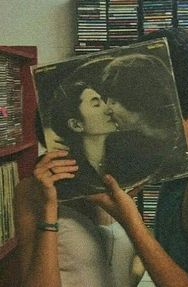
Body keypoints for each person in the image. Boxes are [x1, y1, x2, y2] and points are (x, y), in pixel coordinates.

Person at [89, 27, 188, 287]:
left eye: (129, 92)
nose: (111, 109)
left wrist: (131, 220)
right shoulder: (179, 166)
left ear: (158, 95)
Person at [15, 60, 144, 286]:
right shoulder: (33, 191)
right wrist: (49, 209)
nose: (108, 108)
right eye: (96, 103)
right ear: (76, 125)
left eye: (104, 100)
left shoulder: (121, 181)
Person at [100, 53, 188, 188]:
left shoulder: (182, 150)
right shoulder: (118, 146)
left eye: (114, 101)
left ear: (137, 100)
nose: (107, 108)